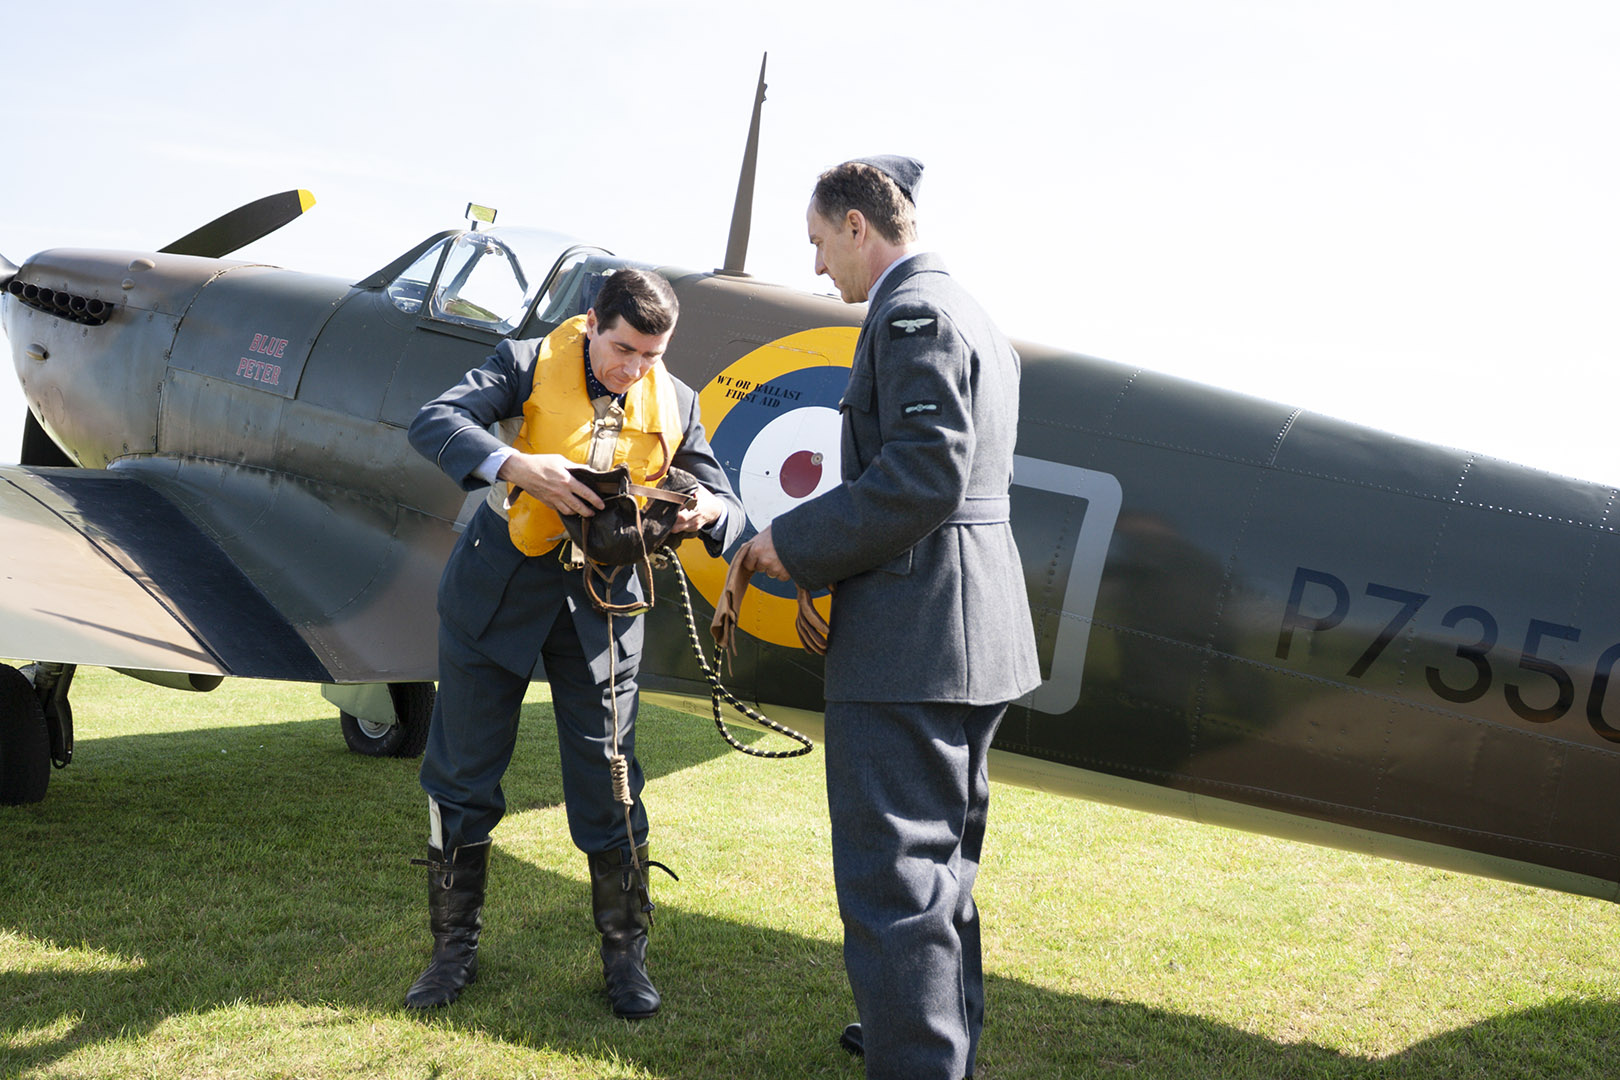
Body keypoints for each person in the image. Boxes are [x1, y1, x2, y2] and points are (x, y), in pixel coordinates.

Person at [745, 157, 1040, 1079]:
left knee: (896, 884)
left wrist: (790, 545)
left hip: (913, 643)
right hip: (970, 634)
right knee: (942, 882)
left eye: (820, 244)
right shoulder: (975, 313)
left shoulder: (914, 314)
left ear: (857, 226)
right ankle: (936, 1050)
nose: (819, 268)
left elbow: (922, 475)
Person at [404, 267, 743, 1018]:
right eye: (624, 349)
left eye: (652, 356)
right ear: (592, 323)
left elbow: (725, 503)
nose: (635, 370)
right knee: (460, 777)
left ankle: (626, 959)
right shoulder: (522, 362)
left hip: (607, 613)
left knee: (611, 786)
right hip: (495, 599)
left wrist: (703, 510)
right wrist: (516, 464)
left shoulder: (677, 401)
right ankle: (452, 953)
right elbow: (434, 420)